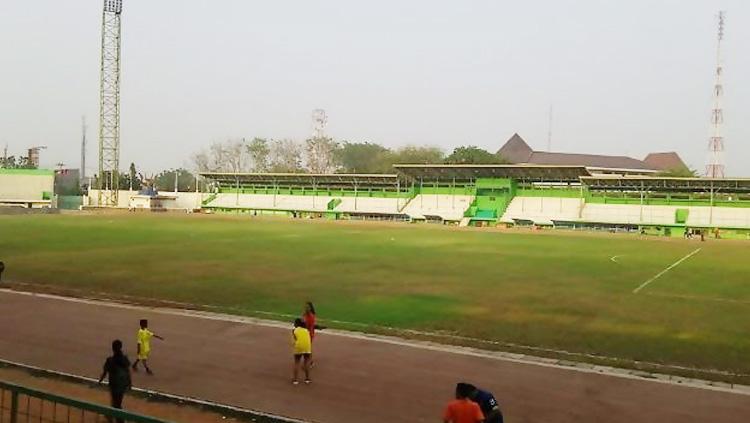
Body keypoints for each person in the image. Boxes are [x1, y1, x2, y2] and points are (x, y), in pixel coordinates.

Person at [98, 339, 132, 423]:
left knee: (116, 402)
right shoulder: (124, 359)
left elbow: (105, 372)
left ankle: (119, 419)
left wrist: (100, 381)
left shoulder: (110, 360)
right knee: (117, 401)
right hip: (123, 384)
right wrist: (130, 383)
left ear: (112, 348)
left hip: (114, 384)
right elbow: (128, 371)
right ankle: (111, 416)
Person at [302, 301, 325, 366]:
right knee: (305, 348)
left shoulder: (311, 316)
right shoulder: (305, 314)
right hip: (304, 333)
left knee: (307, 348)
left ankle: (310, 362)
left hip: (309, 334)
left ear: (310, 308)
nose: (306, 308)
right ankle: (309, 361)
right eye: (305, 307)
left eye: (307, 307)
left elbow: (309, 326)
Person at [291, 318, 312, 385]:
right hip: (307, 347)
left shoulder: (294, 330)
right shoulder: (306, 330)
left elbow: (295, 339)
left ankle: (295, 380)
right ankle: (307, 379)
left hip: (299, 346)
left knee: (297, 362)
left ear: (297, 323)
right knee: (306, 362)